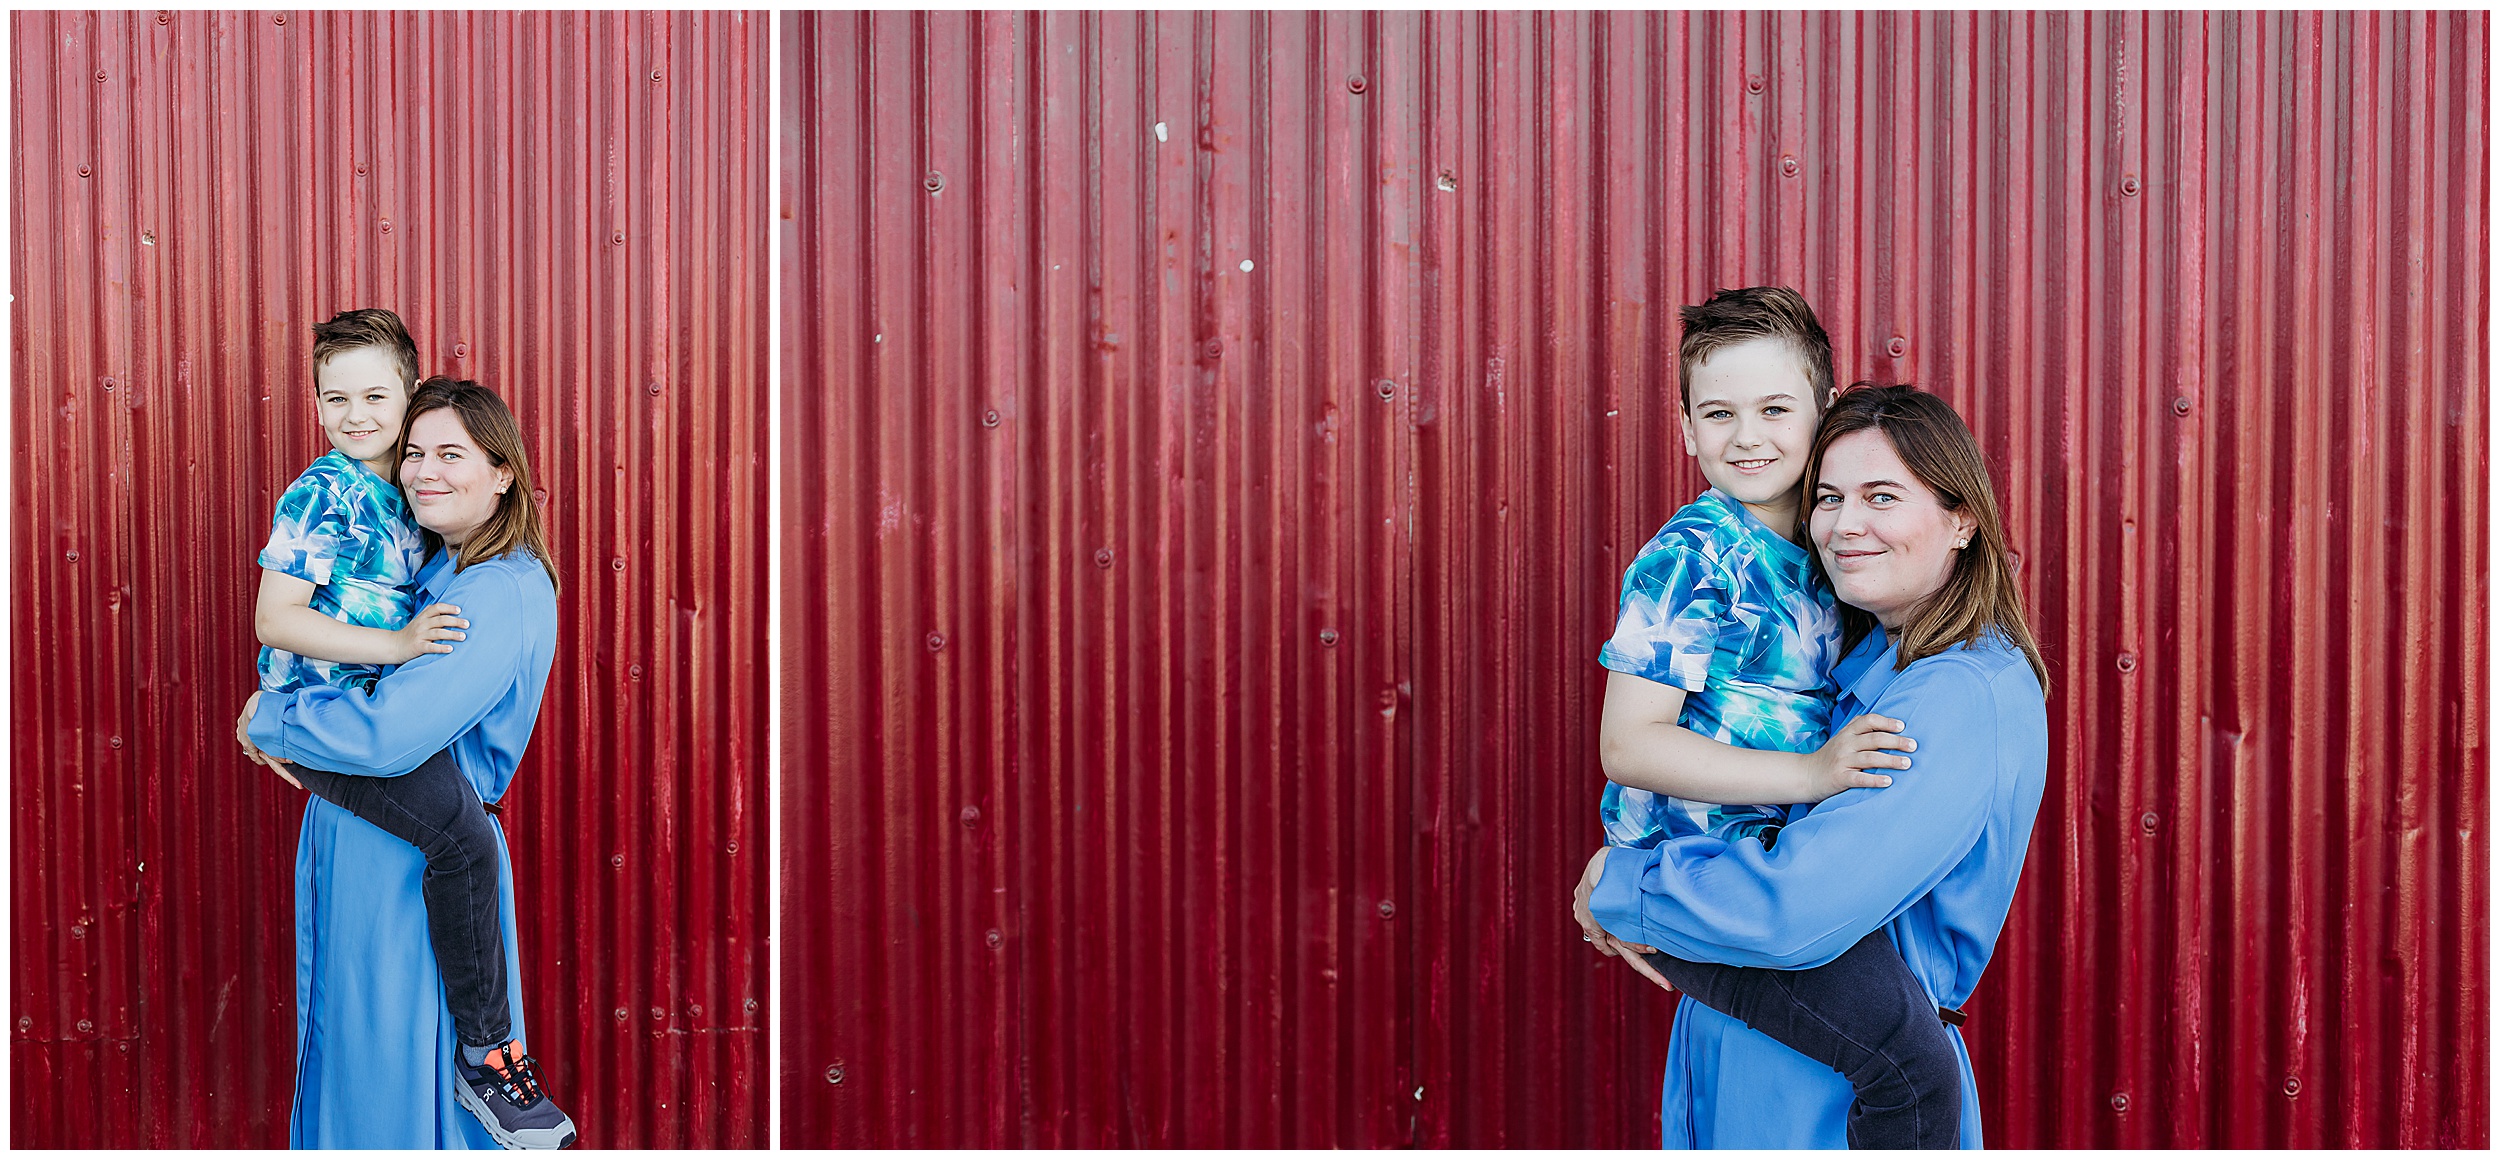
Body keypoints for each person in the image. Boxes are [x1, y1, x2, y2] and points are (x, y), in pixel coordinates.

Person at [1573, 384, 2051, 1149]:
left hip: (1830, 1098)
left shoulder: (1960, 692)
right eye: (1827, 498)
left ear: (1962, 519)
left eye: (1882, 496)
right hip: (1763, 1067)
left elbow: (1796, 910)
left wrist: (1627, 886)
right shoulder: (1864, 665)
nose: (1846, 524)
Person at [236, 375, 577, 1149]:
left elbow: (391, 736)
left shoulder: (499, 589)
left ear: (503, 473)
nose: (425, 470)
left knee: (392, 1074)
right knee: (355, 1052)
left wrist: (275, 716)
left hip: (409, 861)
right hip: (366, 839)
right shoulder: (432, 567)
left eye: (451, 453)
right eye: (415, 452)